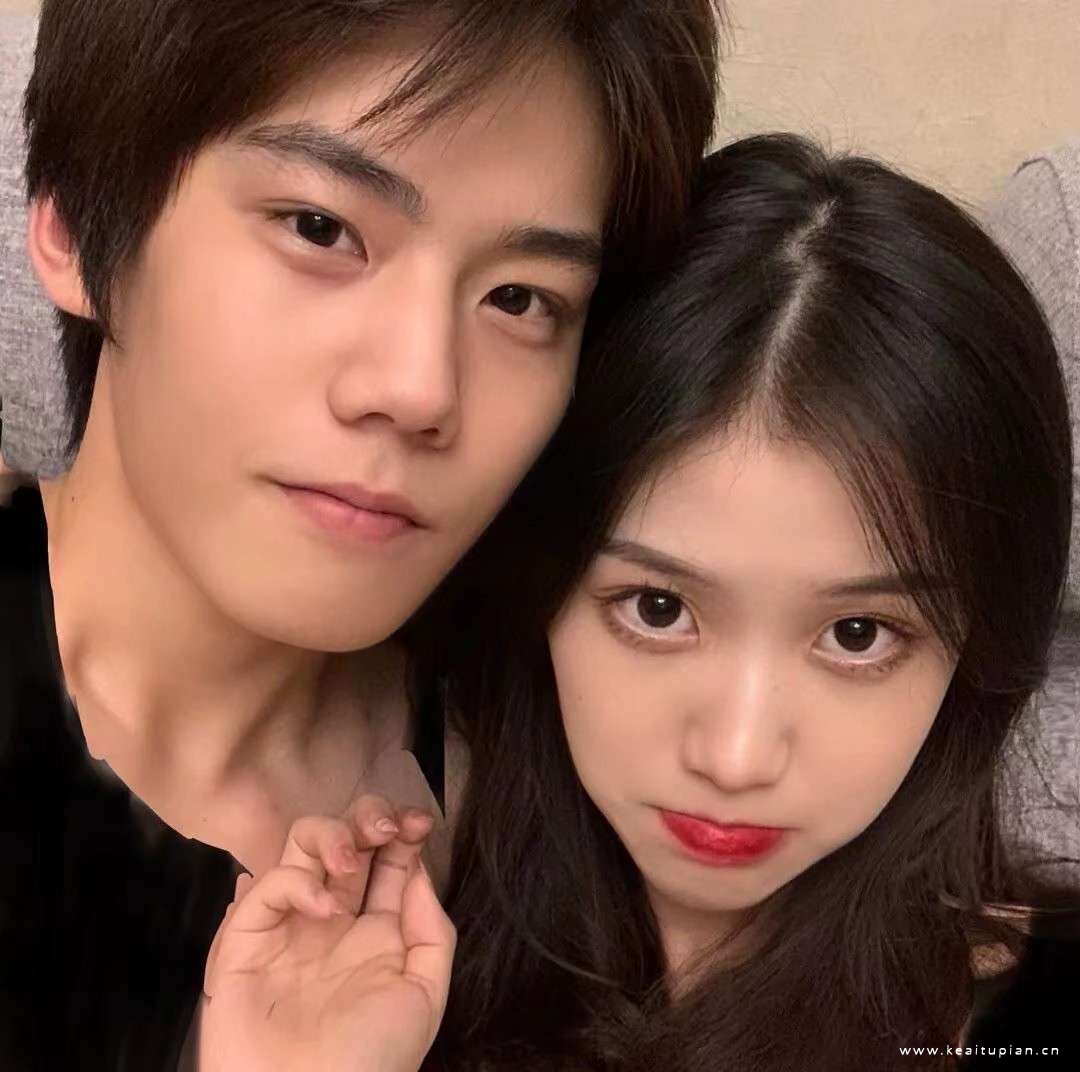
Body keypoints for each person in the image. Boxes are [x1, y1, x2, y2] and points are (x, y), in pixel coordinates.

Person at [201, 134, 1080, 1070]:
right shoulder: (375, 968)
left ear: (978, 643)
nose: (736, 757)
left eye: (858, 635)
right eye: (657, 609)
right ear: (541, 587)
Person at [0, 2, 725, 1068]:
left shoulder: (557, 810)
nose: (422, 388)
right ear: (73, 228)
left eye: (521, 299)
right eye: (320, 228)